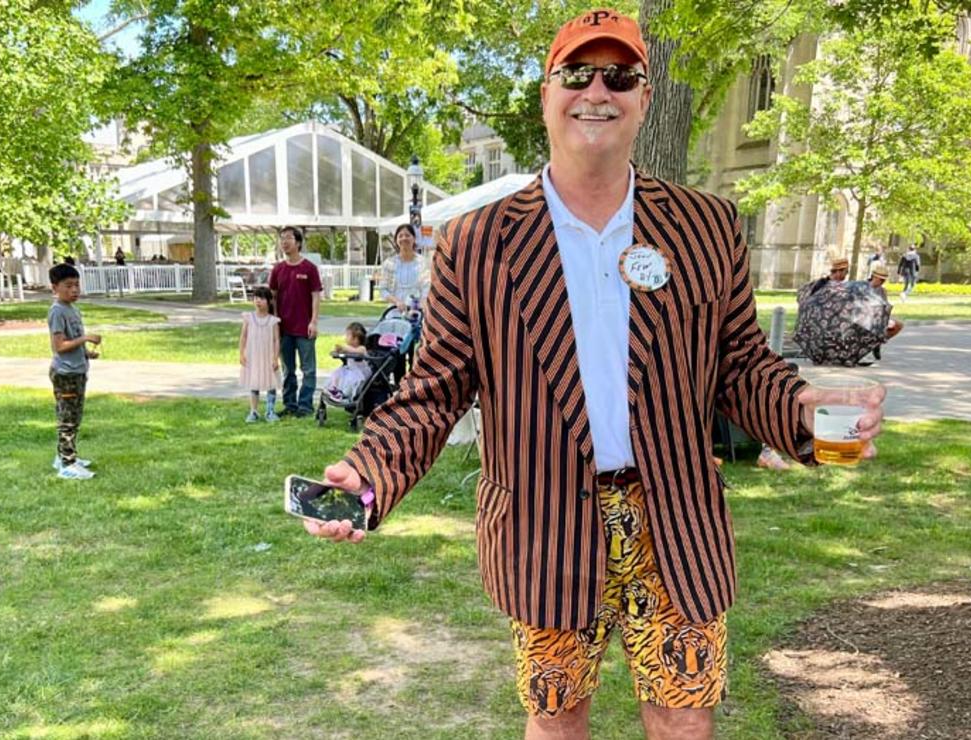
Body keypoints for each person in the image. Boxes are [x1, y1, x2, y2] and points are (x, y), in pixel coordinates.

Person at [303, 9, 886, 739]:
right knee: (557, 722)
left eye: (621, 75)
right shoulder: (478, 244)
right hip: (544, 522)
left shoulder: (705, 226)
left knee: (682, 718)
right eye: (577, 73)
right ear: (546, 94)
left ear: (644, 96)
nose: (597, 91)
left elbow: (740, 363)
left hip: (676, 517)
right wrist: (370, 470)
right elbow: (435, 389)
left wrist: (803, 409)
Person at [47, 263, 100, 480]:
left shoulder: (72, 309)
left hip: (77, 371)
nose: (74, 290)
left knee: (75, 417)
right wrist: (85, 338)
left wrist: (86, 353)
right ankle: (67, 465)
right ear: (55, 288)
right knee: (67, 420)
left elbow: (73, 342)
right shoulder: (57, 311)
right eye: (68, 286)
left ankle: (66, 456)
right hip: (66, 374)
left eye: (77, 285)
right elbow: (59, 346)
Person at [269, 226, 321, 417]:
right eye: (282, 238)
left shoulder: (309, 268)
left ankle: (305, 406)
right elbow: (272, 297)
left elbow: (316, 296)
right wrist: (273, 323)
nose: (284, 242)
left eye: (288, 238)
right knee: (287, 369)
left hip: (304, 327)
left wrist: (313, 321)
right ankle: (290, 404)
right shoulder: (277, 269)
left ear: (298, 242)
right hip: (283, 329)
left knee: (308, 369)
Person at [239, 286, 281, 423]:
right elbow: (243, 337)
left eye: (262, 298)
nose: (258, 301)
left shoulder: (273, 321)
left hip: (268, 356)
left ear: (269, 301)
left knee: (271, 383)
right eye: (256, 298)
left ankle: (270, 410)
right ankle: (254, 411)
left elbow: (276, 340)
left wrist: (275, 358)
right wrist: (241, 354)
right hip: (253, 356)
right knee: (254, 383)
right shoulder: (248, 318)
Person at [377, 224, 431, 311]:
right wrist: (397, 302)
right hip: (394, 311)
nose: (404, 238)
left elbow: (427, 287)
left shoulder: (422, 262)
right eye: (400, 236)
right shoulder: (389, 263)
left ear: (414, 239)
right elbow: (383, 290)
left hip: (416, 311)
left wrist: (421, 303)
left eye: (407, 235)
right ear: (396, 240)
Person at [325, 322, 370, 402]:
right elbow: (346, 352)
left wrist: (346, 348)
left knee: (349, 379)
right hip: (350, 369)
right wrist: (339, 351)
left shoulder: (361, 348)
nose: (346, 337)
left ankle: (343, 394)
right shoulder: (349, 348)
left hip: (359, 373)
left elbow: (356, 351)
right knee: (337, 374)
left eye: (348, 335)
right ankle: (334, 390)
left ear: (356, 338)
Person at [868, 265, 903, 361]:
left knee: (898, 325)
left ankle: (877, 343)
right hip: (866, 317)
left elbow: (885, 304)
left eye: (884, 280)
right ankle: (871, 343)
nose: (882, 282)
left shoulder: (882, 291)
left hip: (879, 318)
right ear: (874, 277)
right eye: (881, 280)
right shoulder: (864, 287)